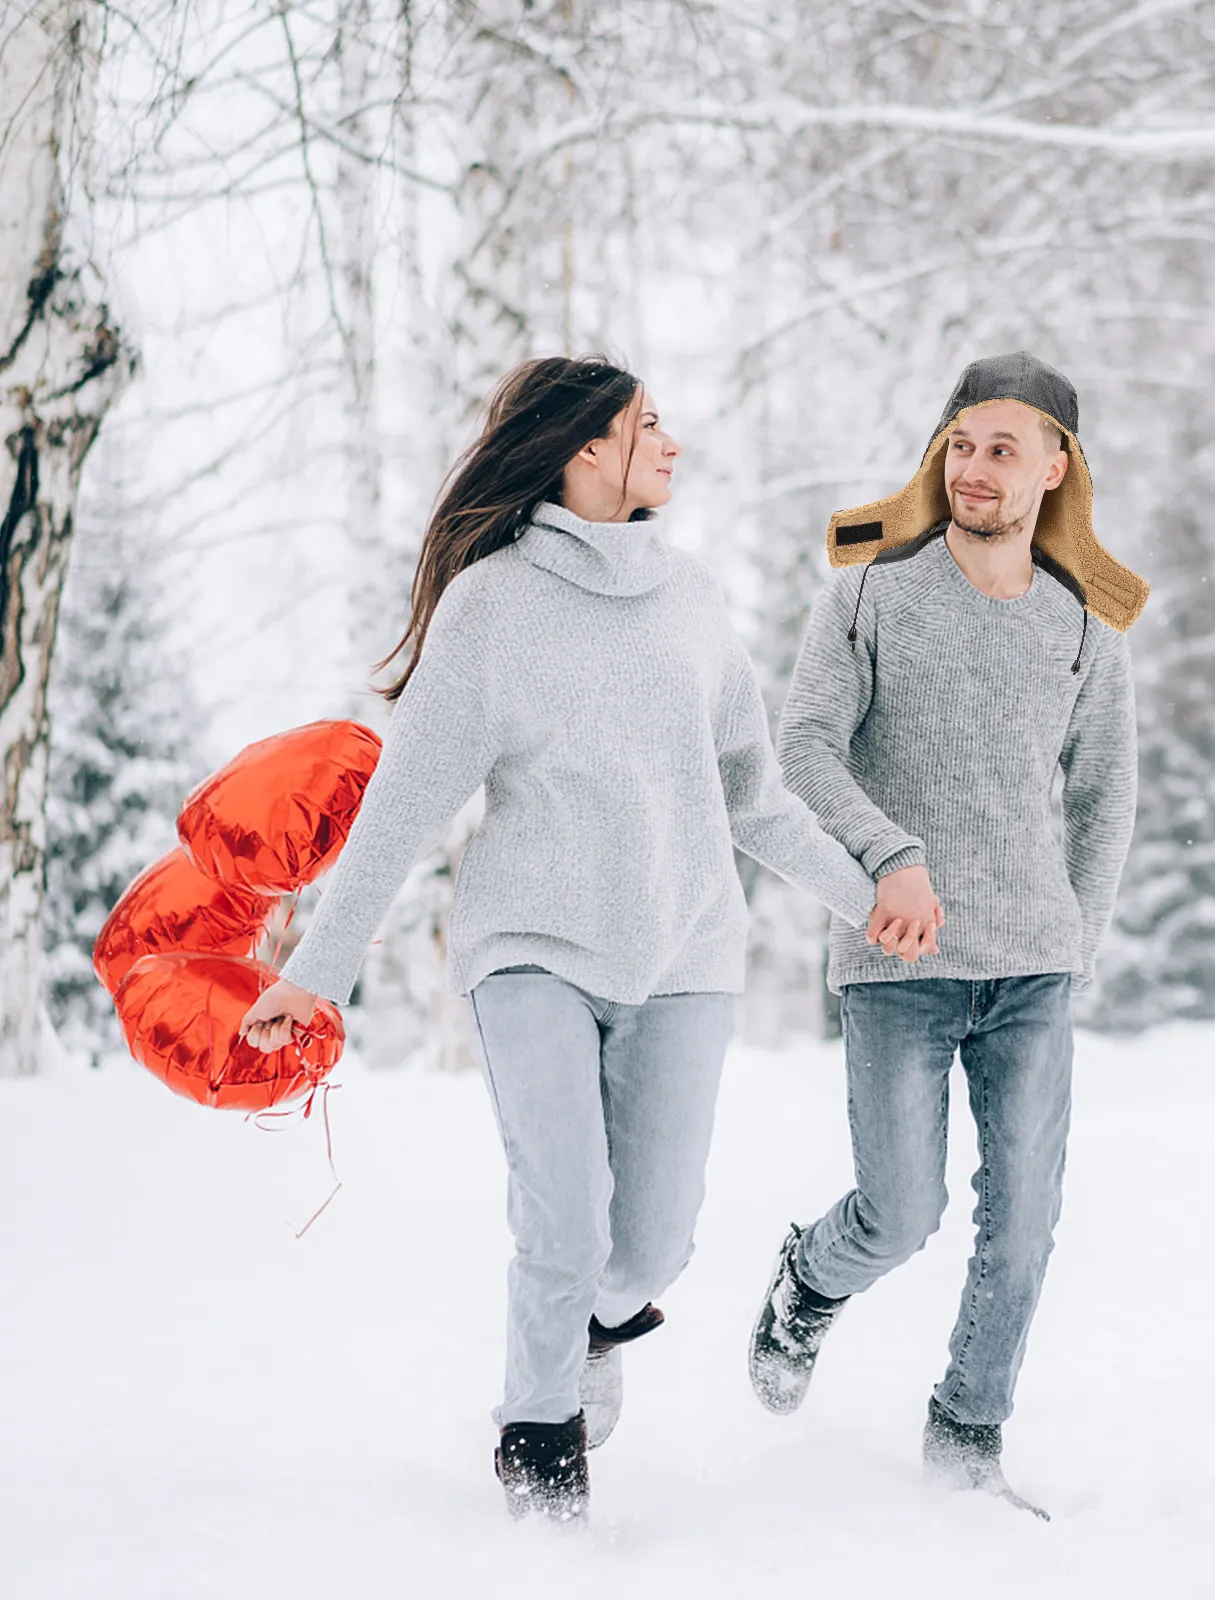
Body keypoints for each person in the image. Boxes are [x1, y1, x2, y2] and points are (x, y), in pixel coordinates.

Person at [239, 356, 902, 1524]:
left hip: (684, 952)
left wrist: (867, 897)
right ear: (586, 447)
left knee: (646, 1248)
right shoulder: (491, 607)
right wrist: (316, 971)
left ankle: (598, 1322)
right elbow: (404, 803)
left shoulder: (690, 598)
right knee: (564, 1214)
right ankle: (538, 1452)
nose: (672, 442)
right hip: (530, 946)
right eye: (649, 424)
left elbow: (752, 795)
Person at [746, 351, 1148, 1513]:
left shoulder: (1085, 627)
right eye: (959, 444)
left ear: (1055, 468)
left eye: (1001, 449)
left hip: (1031, 970)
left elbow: (1103, 795)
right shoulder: (867, 593)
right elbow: (803, 749)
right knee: (901, 1211)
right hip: (898, 961)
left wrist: (1075, 934)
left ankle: (967, 1437)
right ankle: (807, 1279)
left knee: (1023, 1222)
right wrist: (892, 854)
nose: (973, 467)